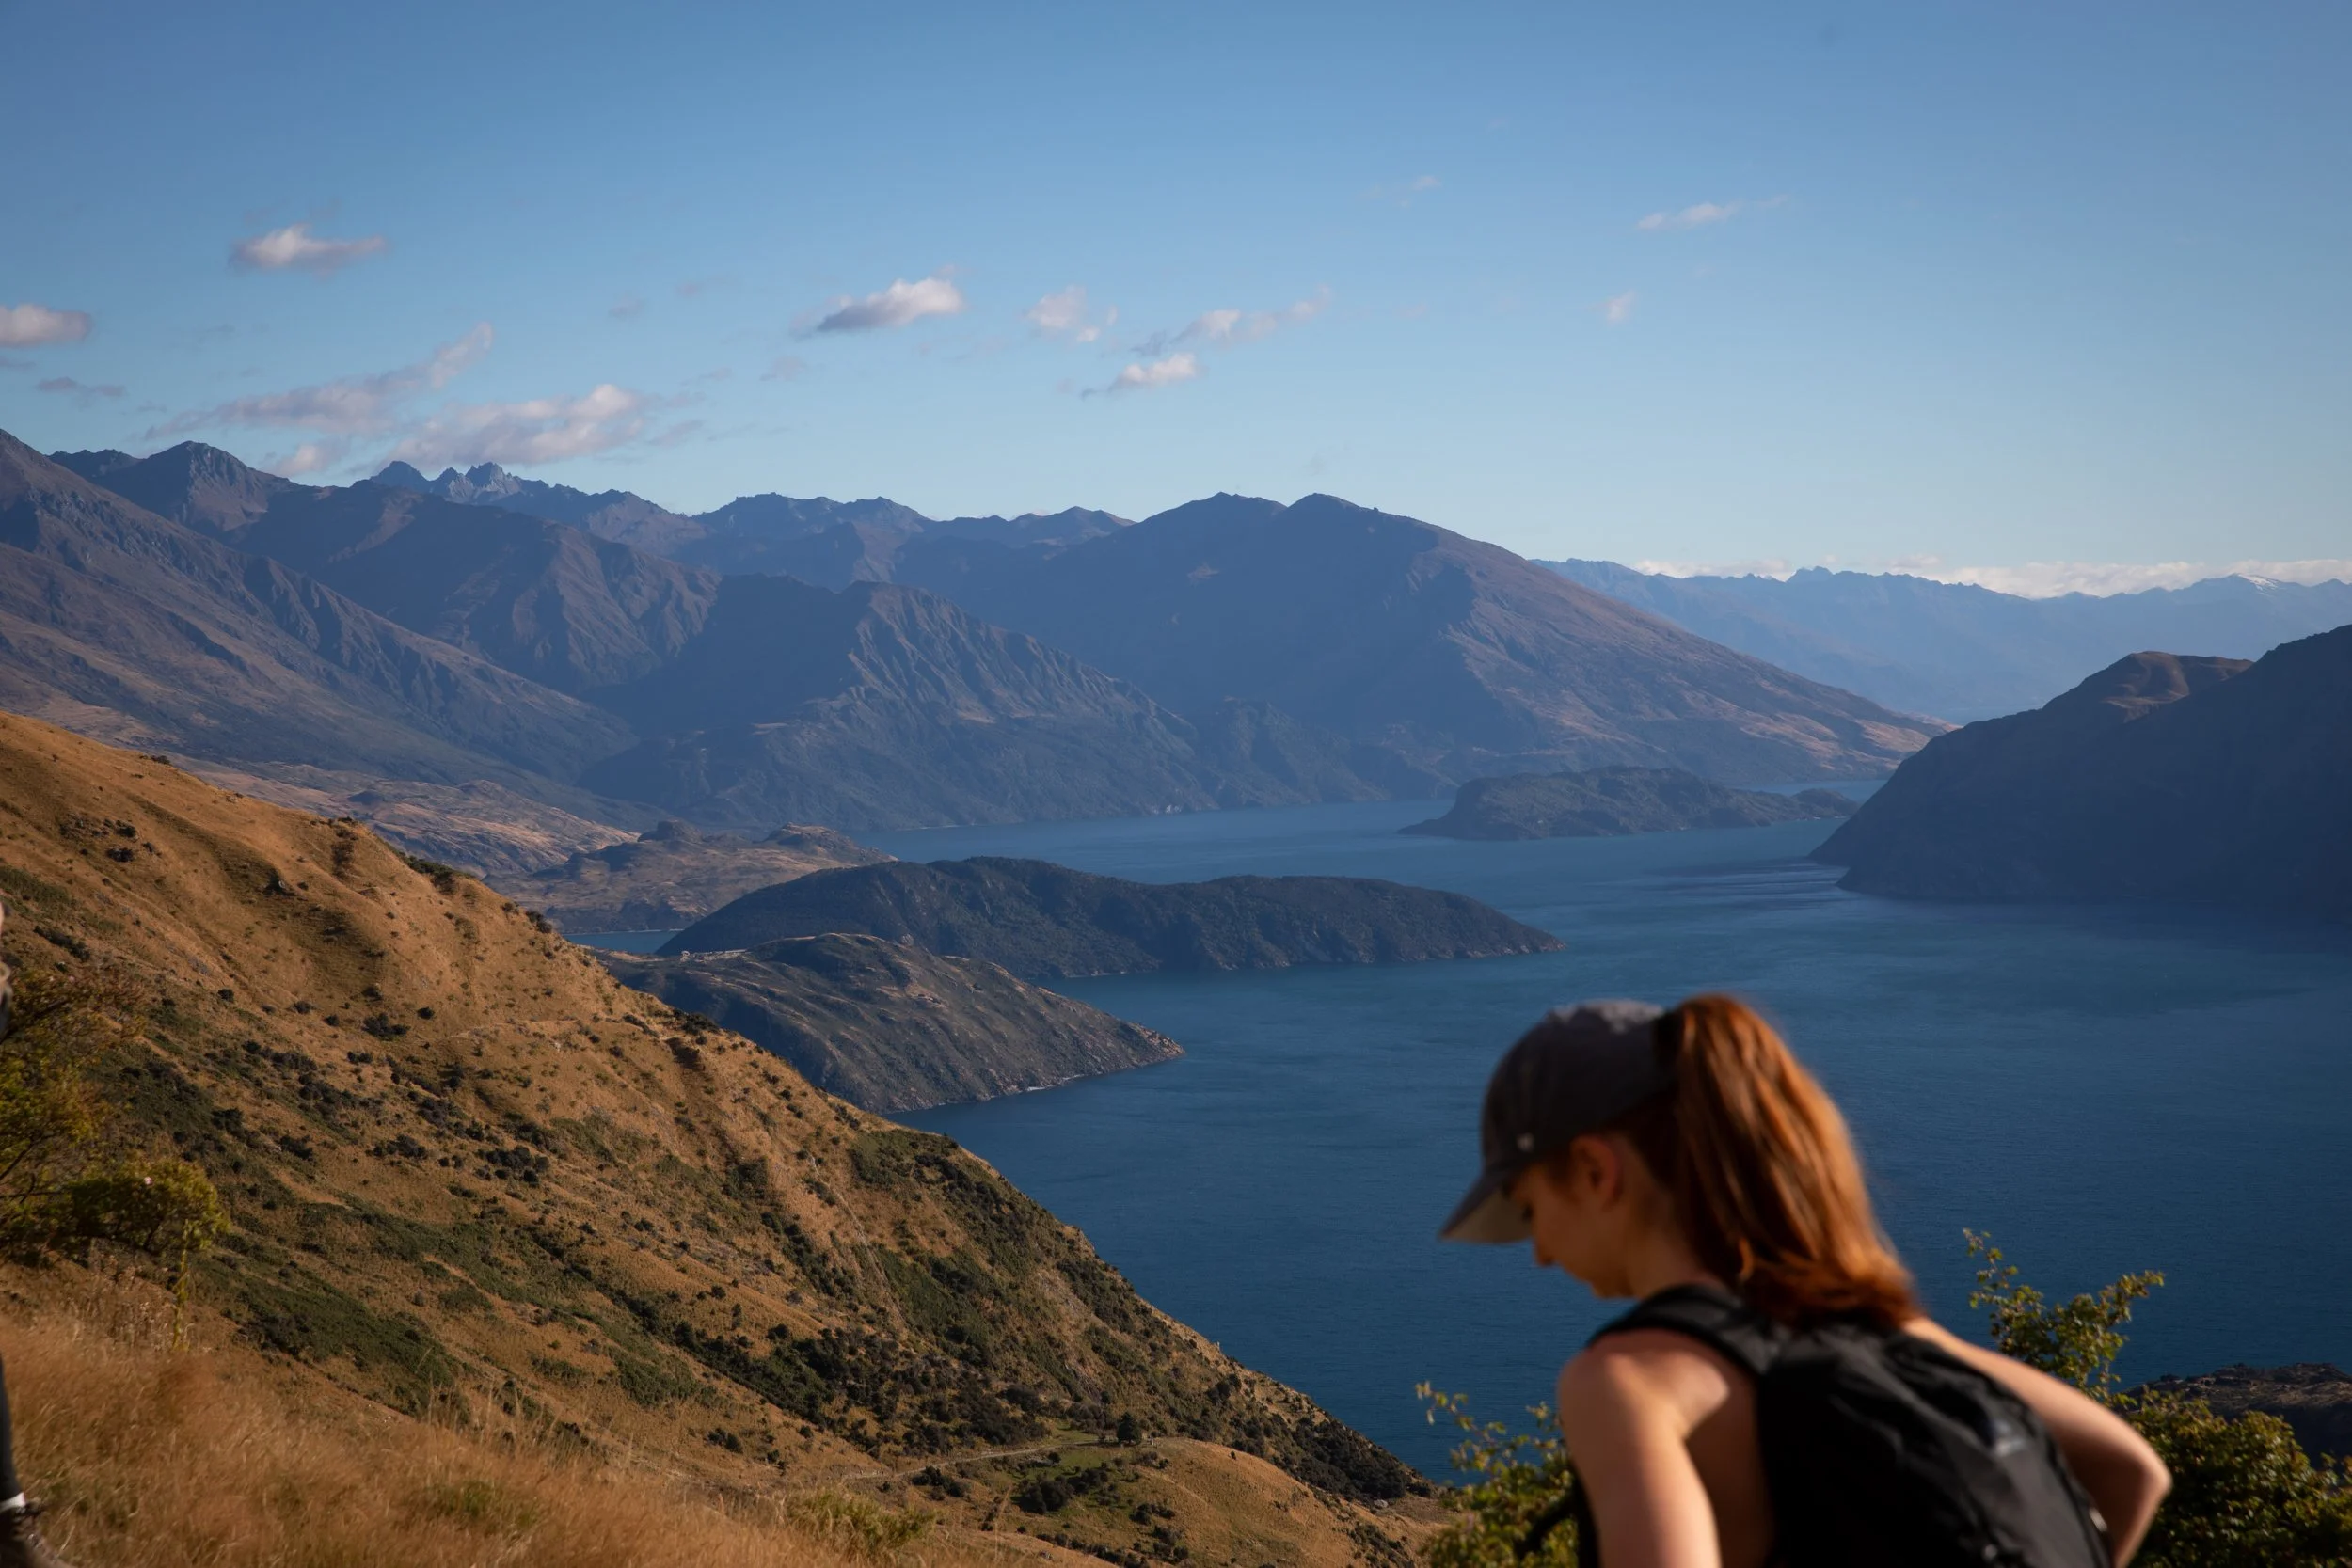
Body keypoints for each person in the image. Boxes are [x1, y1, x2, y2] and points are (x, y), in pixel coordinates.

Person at [1440, 995, 2170, 1568]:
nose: (1536, 1252)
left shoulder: (1630, 1382)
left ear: (1598, 1171)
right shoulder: (1880, 1330)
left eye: (1532, 1209)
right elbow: (2133, 1471)